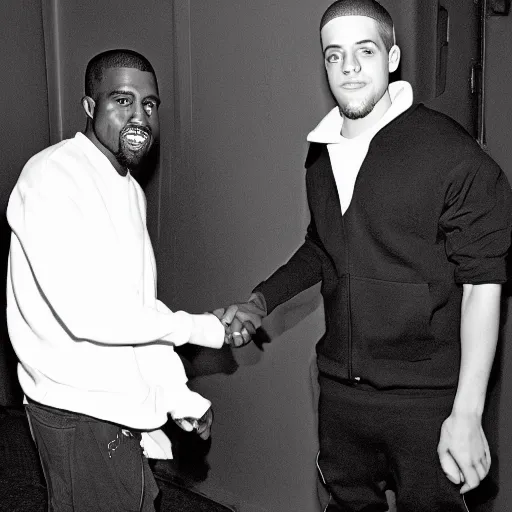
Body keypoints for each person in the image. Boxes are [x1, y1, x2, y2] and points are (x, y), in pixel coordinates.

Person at [216, 1, 512, 510]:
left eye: (365, 50)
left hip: (426, 398)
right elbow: (324, 247)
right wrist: (262, 300)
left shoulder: (452, 155)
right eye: (335, 55)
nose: (349, 67)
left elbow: (482, 283)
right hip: (342, 395)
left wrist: (467, 411)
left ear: (392, 57)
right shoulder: (320, 151)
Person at [6, 49, 226, 512]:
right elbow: (87, 314)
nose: (139, 116)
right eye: (122, 100)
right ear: (89, 107)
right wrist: (202, 328)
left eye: (149, 104)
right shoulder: (52, 175)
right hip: (76, 411)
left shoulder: (128, 189)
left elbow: (136, 308)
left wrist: (174, 394)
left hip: (114, 408)